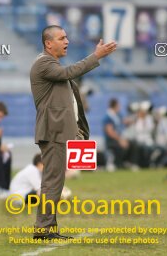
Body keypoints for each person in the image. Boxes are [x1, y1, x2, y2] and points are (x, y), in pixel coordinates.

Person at [30, 25, 117, 239]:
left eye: (67, 37)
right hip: (53, 132)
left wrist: (78, 129)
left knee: (56, 180)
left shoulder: (51, 64)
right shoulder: (43, 63)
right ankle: (43, 229)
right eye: (61, 38)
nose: (67, 41)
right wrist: (96, 56)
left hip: (61, 131)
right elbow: (70, 72)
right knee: (52, 180)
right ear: (48, 43)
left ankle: (47, 228)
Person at [103, 98, 138, 170]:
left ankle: (130, 163)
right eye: (118, 105)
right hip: (111, 140)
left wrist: (136, 116)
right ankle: (116, 163)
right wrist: (120, 140)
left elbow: (125, 121)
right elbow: (110, 132)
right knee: (124, 145)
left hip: (118, 138)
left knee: (133, 143)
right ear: (115, 106)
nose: (120, 107)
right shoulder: (108, 117)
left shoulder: (117, 115)